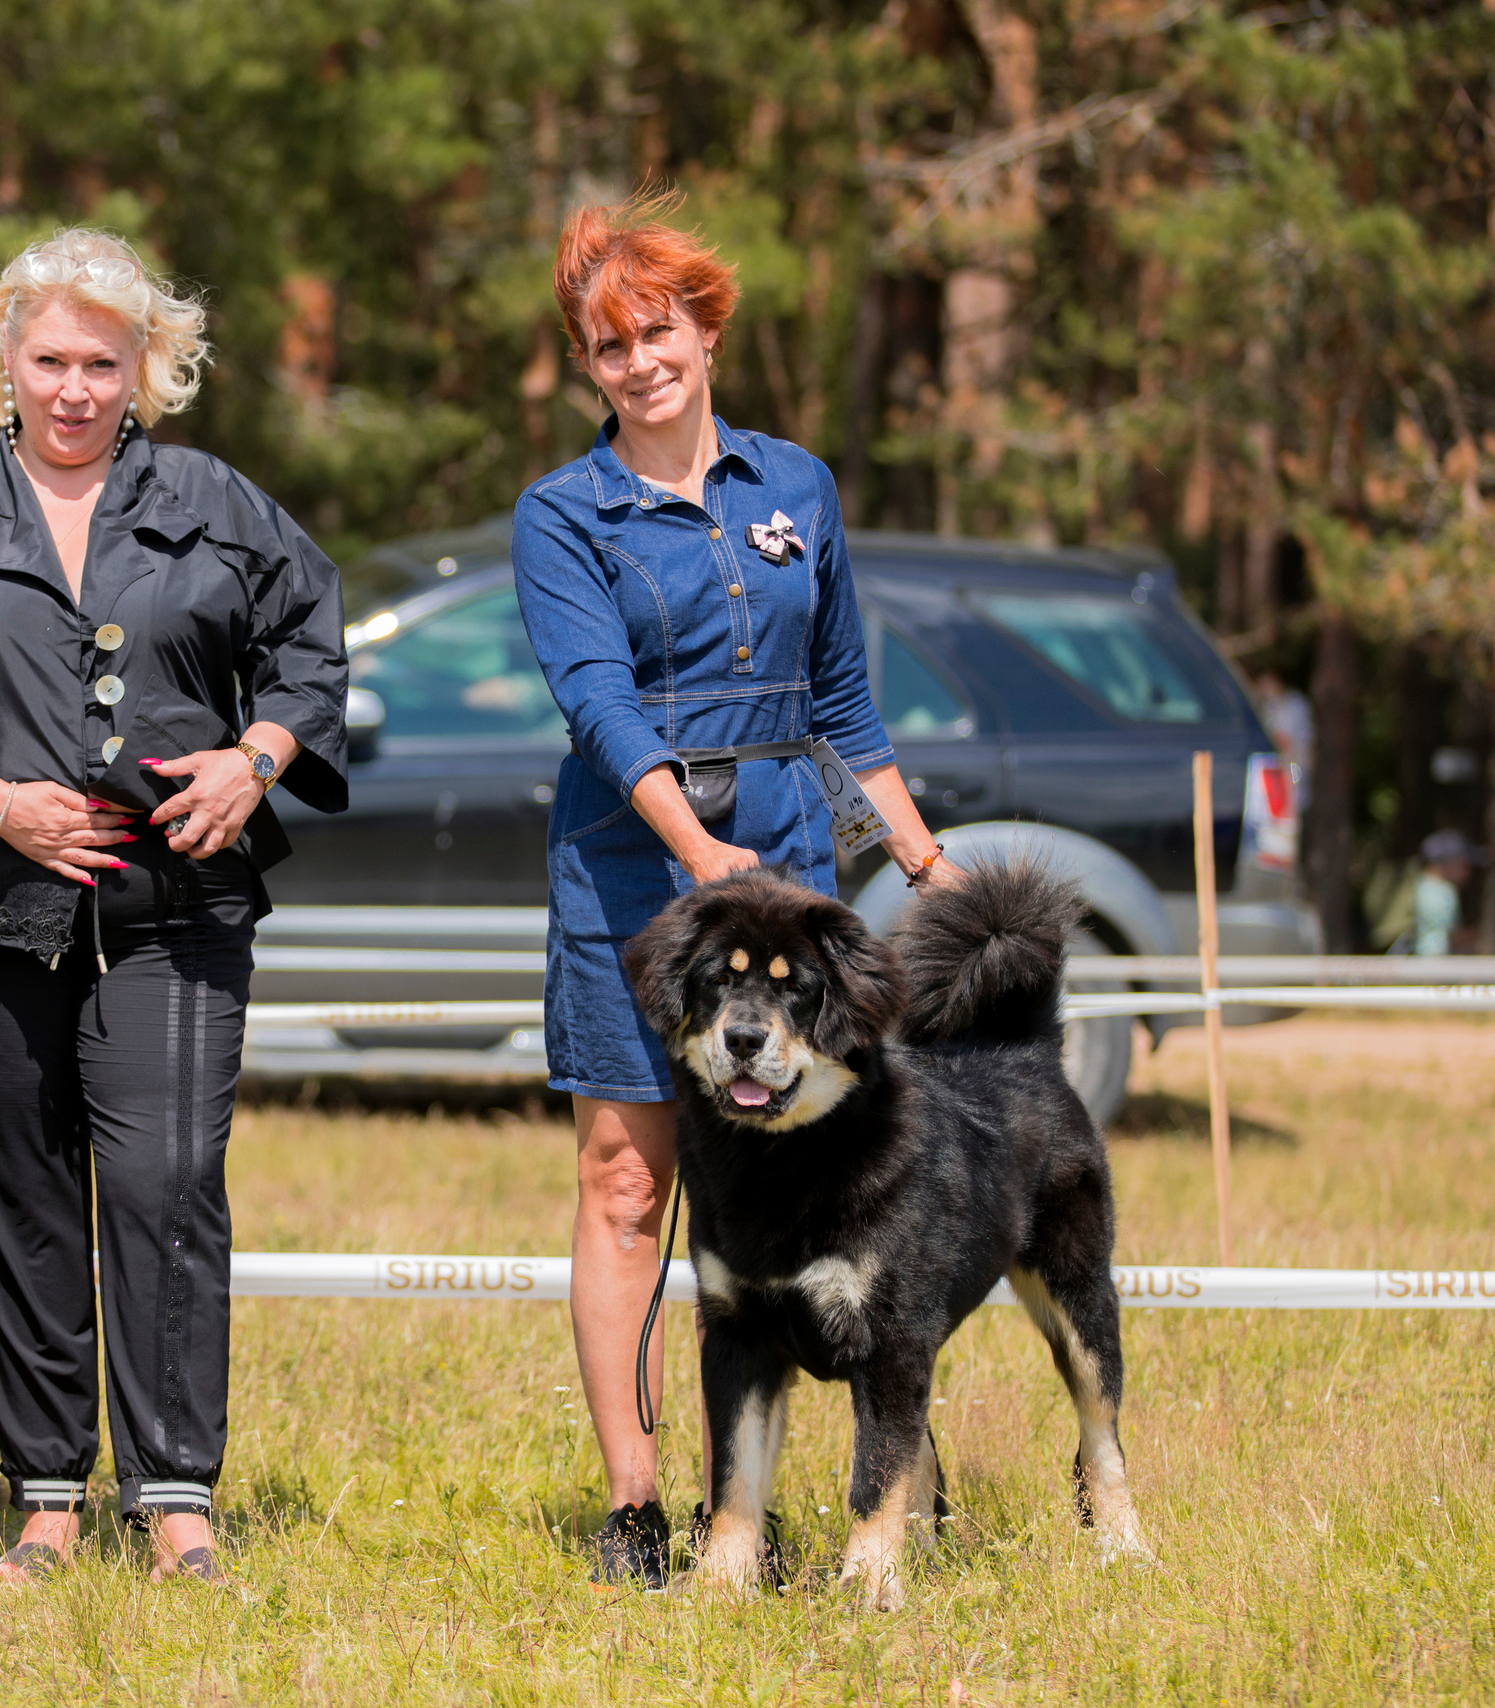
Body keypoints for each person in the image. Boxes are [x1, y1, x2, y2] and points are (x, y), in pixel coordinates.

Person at [0, 228, 347, 1585]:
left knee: (170, 1185)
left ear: (146, 368)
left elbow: (310, 645)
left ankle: (177, 1501)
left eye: (101, 364)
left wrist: (257, 760)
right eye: (48, 359)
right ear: (1, 361)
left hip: (177, 908)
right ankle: (46, 1498)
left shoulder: (216, 497)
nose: (73, 388)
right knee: (19, 1195)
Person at [512, 189, 952, 1590]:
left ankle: (810, 1495)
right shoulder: (562, 513)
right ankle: (640, 1503)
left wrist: (927, 861)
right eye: (607, 346)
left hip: (795, 873)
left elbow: (844, 704)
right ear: (587, 368)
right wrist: (698, 861)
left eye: (658, 331)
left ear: (706, 327)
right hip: (632, 871)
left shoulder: (796, 486)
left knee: (812, 1190)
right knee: (628, 1181)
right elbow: (597, 704)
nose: (639, 363)